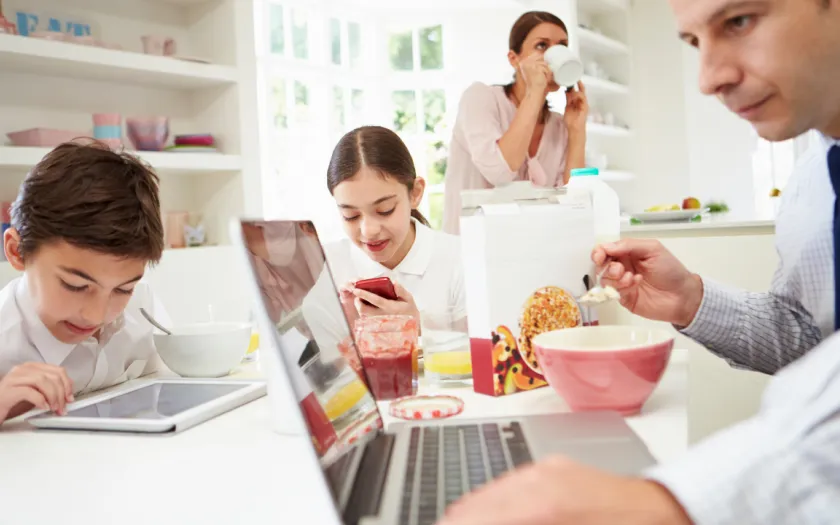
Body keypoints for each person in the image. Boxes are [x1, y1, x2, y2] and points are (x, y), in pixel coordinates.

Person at [438, 0, 840, 523]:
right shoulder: (810, 190)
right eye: (693, 43)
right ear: (513, 59)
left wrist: (669, 501)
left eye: (738, 21)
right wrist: (692, 299)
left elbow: (570, 195)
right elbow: (811, 345)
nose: (707, 79)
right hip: (479, 272)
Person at [0, 142, 169, 424]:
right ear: (18, 252)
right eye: (75, 285)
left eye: (123, 289)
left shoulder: (142, 306)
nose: (96, 316)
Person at [441, 10, 589, 234]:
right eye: (541, 46)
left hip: (527, 253)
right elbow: (499, 172)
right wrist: (535, 91)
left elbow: (575, 204)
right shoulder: (480, 99)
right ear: (514, 59)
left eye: (561, 46)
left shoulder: (559, 125)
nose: (553, 54)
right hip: (469, 251)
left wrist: (577, 131)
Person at [324, 125, 466, 325]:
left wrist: (419, 328)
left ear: (415, 193)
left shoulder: (461, 260)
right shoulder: (325, 266)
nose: (368, 230)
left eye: (385, 210)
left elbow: (482, 351)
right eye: (351, 215)